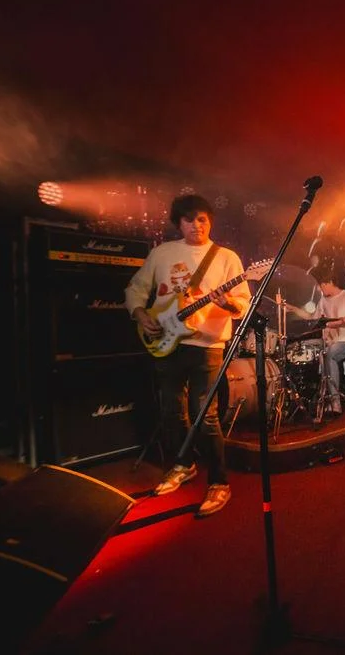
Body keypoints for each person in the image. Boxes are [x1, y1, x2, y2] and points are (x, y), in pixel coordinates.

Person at [124, 193, 250, 517]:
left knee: (205, 415)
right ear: (178, 224)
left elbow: (242, 303)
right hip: (166, 342)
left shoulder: (226, 258)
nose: (197, 225)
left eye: (202, 219)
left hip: (207, 345)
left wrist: (226, 303)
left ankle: (219, 482)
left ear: (211, 221)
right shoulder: (162, 253)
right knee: (171, 410)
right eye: (189, 220)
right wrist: (141, 314)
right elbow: (136, 289)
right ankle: (183, 464)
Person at [288, 264, 345, 417]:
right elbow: (313, 320)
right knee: (301, 348)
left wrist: (340, 322)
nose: (319, 289)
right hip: (329, 342)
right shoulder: (323, 301)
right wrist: (294, 309)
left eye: (321, 285)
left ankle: (335, 402)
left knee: (330, 353)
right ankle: (310, 398)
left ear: (330, 282)